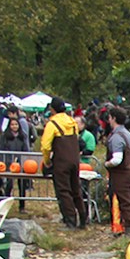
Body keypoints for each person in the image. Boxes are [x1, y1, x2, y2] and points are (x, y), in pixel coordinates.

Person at [40, 96, 85, 228]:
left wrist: (47, 161)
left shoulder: (52, 124)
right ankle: (83, 218)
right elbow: (76, 139)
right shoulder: (72, 122)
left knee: (64, 190)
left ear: (52, 109)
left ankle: (70, 220)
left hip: (61, 162)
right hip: (75, 160)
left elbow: (46, 146)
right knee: (76, 188)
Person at [100, 106, 130, 232]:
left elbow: (117, 159)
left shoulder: (116, 136)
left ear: (114, 118)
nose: (108, 120)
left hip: (120, 173)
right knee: (129, 199)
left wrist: (107, 164)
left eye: (110, 118)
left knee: (124, 201)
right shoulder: (128, 134)